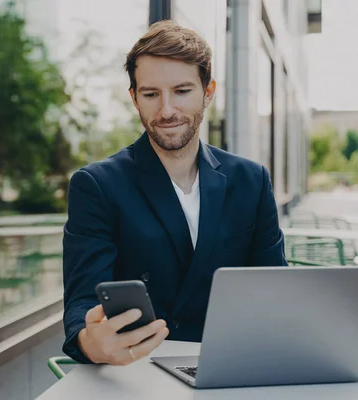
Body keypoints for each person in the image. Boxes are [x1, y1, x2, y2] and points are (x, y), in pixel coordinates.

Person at [62, 20, 287, 366]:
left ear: (208, 92)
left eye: (182, 91)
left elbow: (276, 290)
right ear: (134, 98)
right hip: (137, 371)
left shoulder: (251, 181)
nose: (166, 110)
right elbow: (82, 301)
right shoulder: (97, 185)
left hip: (232, 365)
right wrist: (91, 342)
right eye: (151, 94)